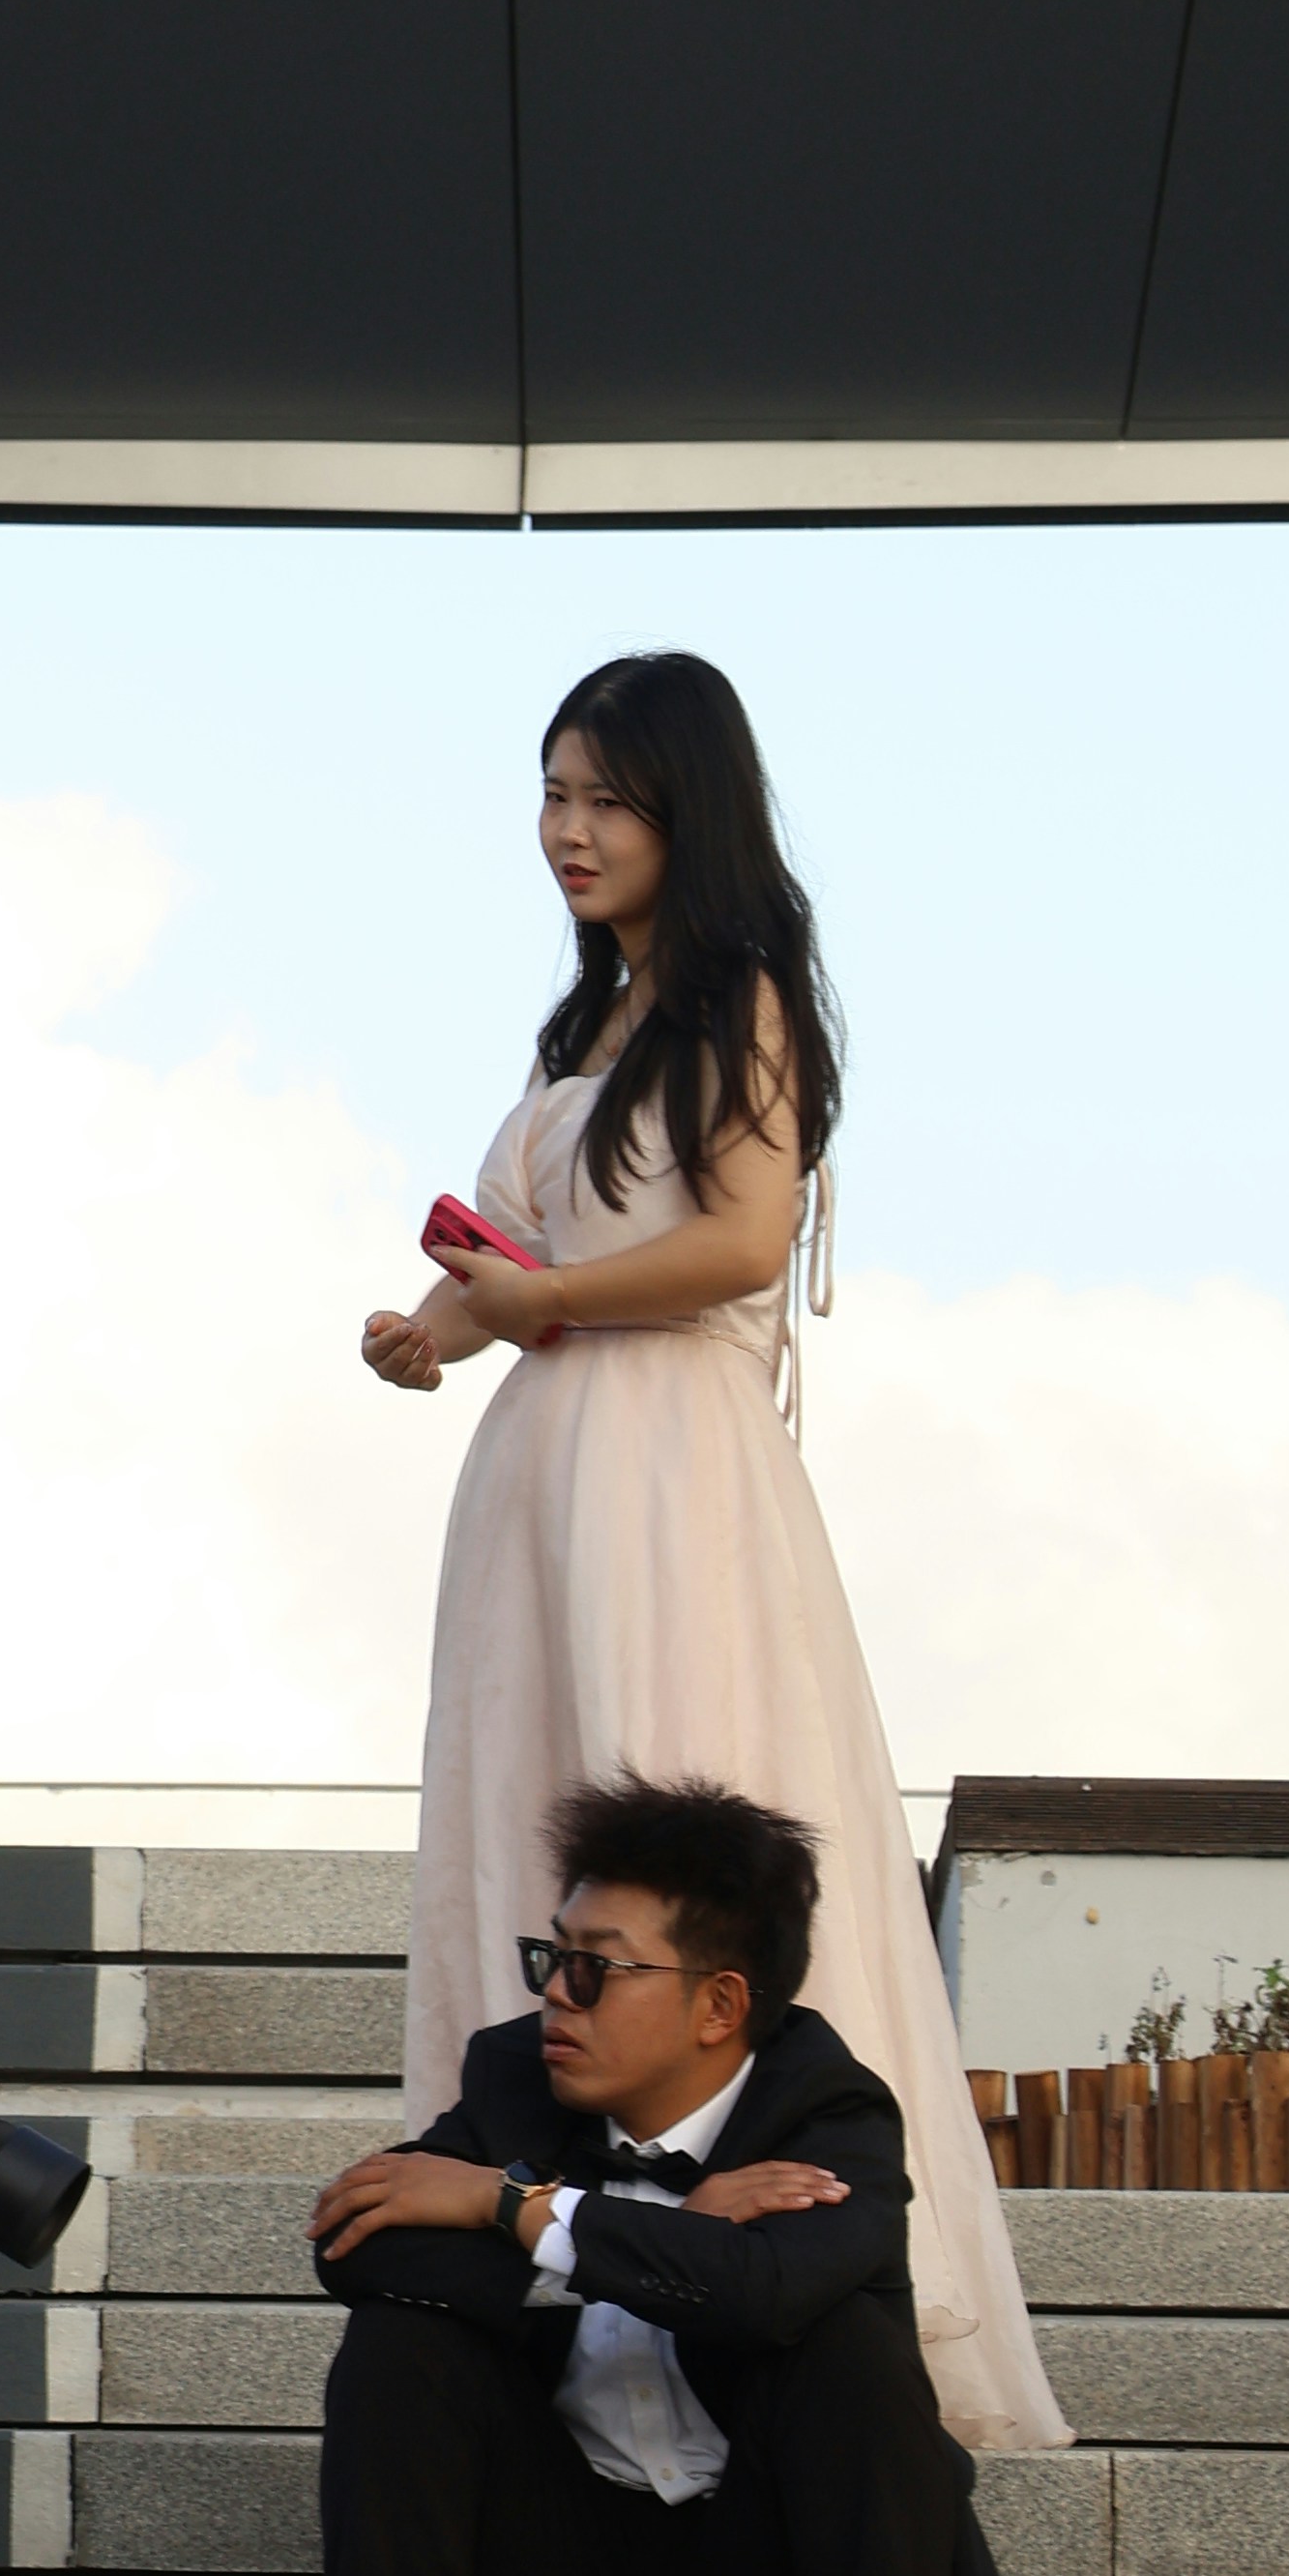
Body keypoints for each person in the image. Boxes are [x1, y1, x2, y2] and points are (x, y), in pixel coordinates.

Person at [363, 649, 1059, 2457]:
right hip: (546, 1473)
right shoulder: (581, 1031)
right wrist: (445, 1328)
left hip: (671, 1464)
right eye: (552, 794)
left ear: (689, 812)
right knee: (542, 1816)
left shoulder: (741, 997)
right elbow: (514, 1250)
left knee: (682, 1790)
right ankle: (547, 2263)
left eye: (604, 799)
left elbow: (744, 1240)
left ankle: (767, 2262)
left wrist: (542, 1303)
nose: (567, 833)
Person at [308, 1775, 1035, 2576]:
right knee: (398, 2346)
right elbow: (356, 2245)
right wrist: (631, 2219)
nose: (557, 1992)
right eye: (553, 1957)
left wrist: (514, 2209)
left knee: (846, 2352)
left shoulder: (830, 2112)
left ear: (718, 2005)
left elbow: (766, 2295)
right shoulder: (513, 2079)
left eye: (595, 1968)